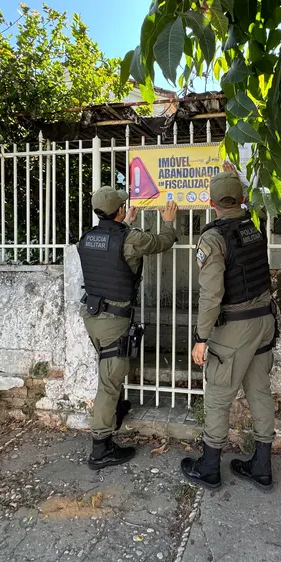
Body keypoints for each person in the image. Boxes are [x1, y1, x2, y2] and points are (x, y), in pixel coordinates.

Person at [181, 168, 277, 492]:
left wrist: (201, 338)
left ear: (210, 203)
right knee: (259, 391)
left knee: (218, 397)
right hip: (264, 321)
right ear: (243, 198)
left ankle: (209, 468)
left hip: (235, 328)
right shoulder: (254, 225)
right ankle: (261, 467)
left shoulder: (213, 238)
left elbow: (211, 295)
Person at [78, 186, 178, 469]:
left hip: (93, 316)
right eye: (123, 206)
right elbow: (161, 242)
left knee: (108, 369)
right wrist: (169, 222)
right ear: (120, 211)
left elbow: (110, 249)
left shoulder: (87, 238)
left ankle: (115, 411)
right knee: (109, 383)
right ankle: (101, 448)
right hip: (113, 320)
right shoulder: (129, 239)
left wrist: (125, 223)